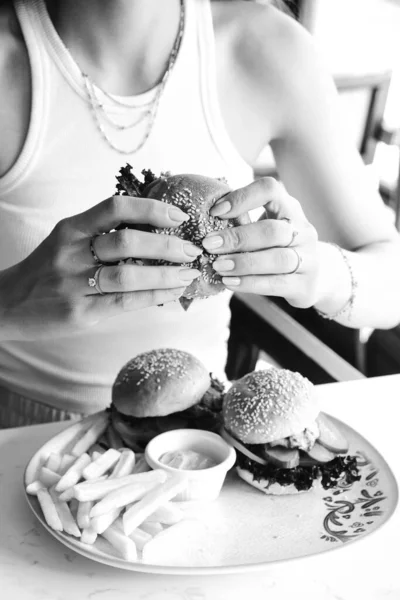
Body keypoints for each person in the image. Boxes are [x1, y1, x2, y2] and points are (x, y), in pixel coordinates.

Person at [0, 0, 399, 427]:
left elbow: (391, 283)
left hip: (204, 431)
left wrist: (316, 270)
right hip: (22, 428)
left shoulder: (268, 47)